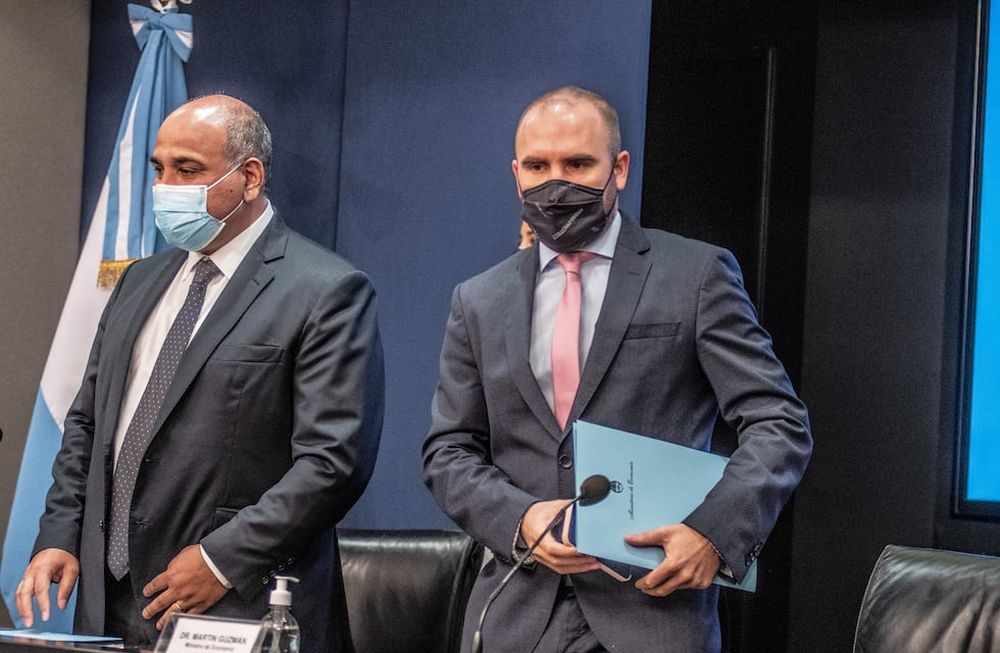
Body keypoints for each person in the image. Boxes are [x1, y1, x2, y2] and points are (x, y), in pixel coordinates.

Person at [422, 86, 812, 652]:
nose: (556, 183)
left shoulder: (695, 274)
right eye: (538, 166)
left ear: (619, 168)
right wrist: (522, 518)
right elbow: (448, 450)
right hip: (517, 616)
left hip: (654, 610)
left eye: (578, 163)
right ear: (516, 174)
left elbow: (779, 422)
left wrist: (715, 533)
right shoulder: (479, 298)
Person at [15, 95, 384, 652]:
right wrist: (61, 534)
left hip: (237, 605)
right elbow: (87, 424)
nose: (167, 187)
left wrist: (221, 560)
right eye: (159, 169)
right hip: (108, 601)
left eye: (188, 170)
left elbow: (333, 462)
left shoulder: (325, 290)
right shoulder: (138, 282)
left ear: (250, 177)